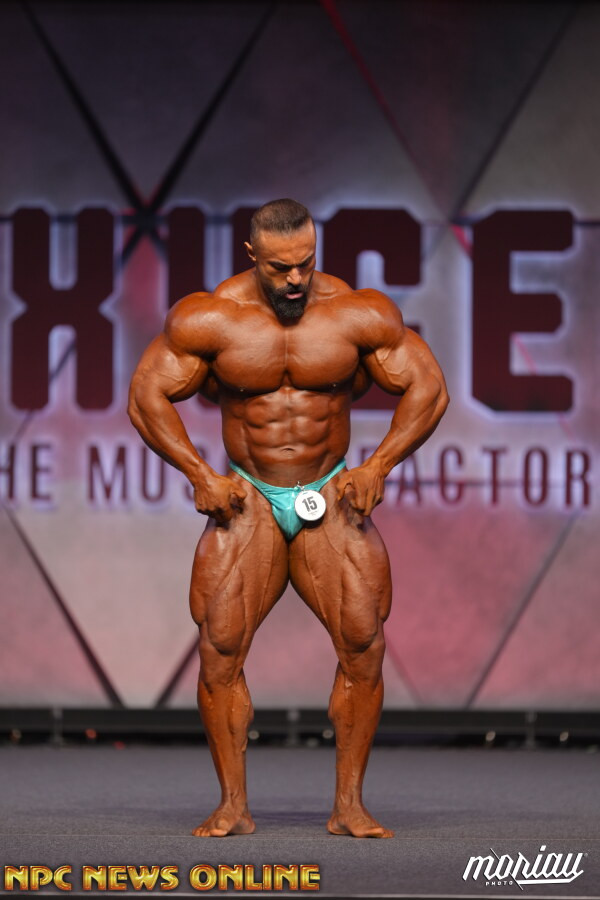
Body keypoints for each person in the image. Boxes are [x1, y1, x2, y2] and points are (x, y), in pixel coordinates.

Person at [128, 199, 448, 839]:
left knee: (364, 643)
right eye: (281, 268)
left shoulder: (356, 313)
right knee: (220, 648)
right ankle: (232, 806)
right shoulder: (211, 318)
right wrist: (200, 474)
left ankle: (349, 806)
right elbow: (146, 395)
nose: (296, 278)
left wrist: (379, 465)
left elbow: (429, 387)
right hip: (249, 495)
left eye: (306, 262)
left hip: (329, 491)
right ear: (253, 255)